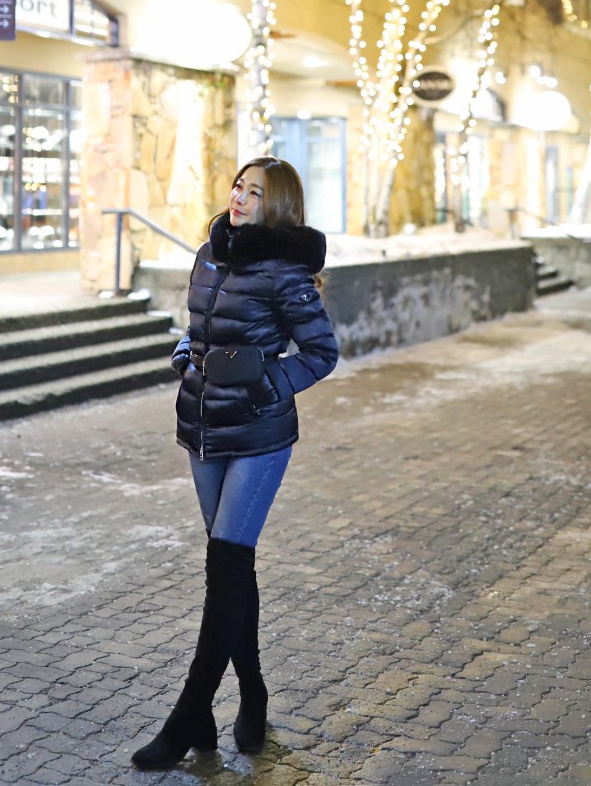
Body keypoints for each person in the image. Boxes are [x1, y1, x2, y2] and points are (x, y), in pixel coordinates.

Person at [132, 156, 339, 771]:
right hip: (201, 427)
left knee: (225, 562)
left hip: (258, 433)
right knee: (230, 570)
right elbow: (193, 327)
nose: (240, 198)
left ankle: (190, 712)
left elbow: (322, 351)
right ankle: (252, 691)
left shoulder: (286, 269)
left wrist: (267, 385)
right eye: (237, 186)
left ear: (275, 205)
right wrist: (183, 357)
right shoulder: (209, 252)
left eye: (254, 192)